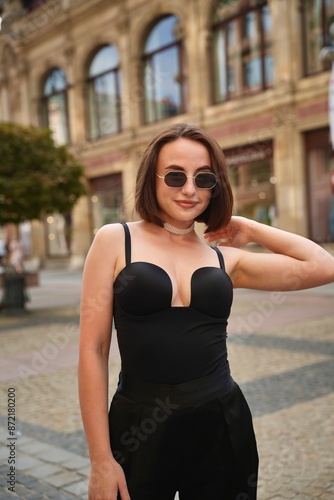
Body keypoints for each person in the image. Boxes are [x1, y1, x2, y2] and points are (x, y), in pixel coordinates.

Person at [78, 123, 334, 500]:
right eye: (176, 175)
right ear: (152, 177)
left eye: (204, 178)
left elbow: (323, 265)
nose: (189, 189)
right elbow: (93, 350)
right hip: (138, 426)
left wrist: (249, 227)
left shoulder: (224, 259)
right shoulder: (115, 240)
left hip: (221, 421)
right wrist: (101, 459)